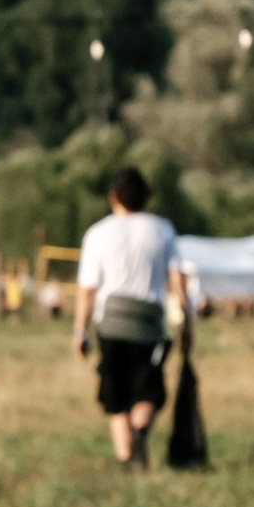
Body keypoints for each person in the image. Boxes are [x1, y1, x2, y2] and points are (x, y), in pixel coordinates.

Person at [72, 167, 195, 470]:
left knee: (115, 394)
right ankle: (140, 432)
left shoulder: (98, 233)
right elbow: (178, 281)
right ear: (146, 197)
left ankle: (127, 458)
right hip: (149, 322)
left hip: (111, 321)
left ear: (112, 197)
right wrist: (188, 324)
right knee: (148, 390)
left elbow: (88, 289)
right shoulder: (162, 229)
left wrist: (79, 330)